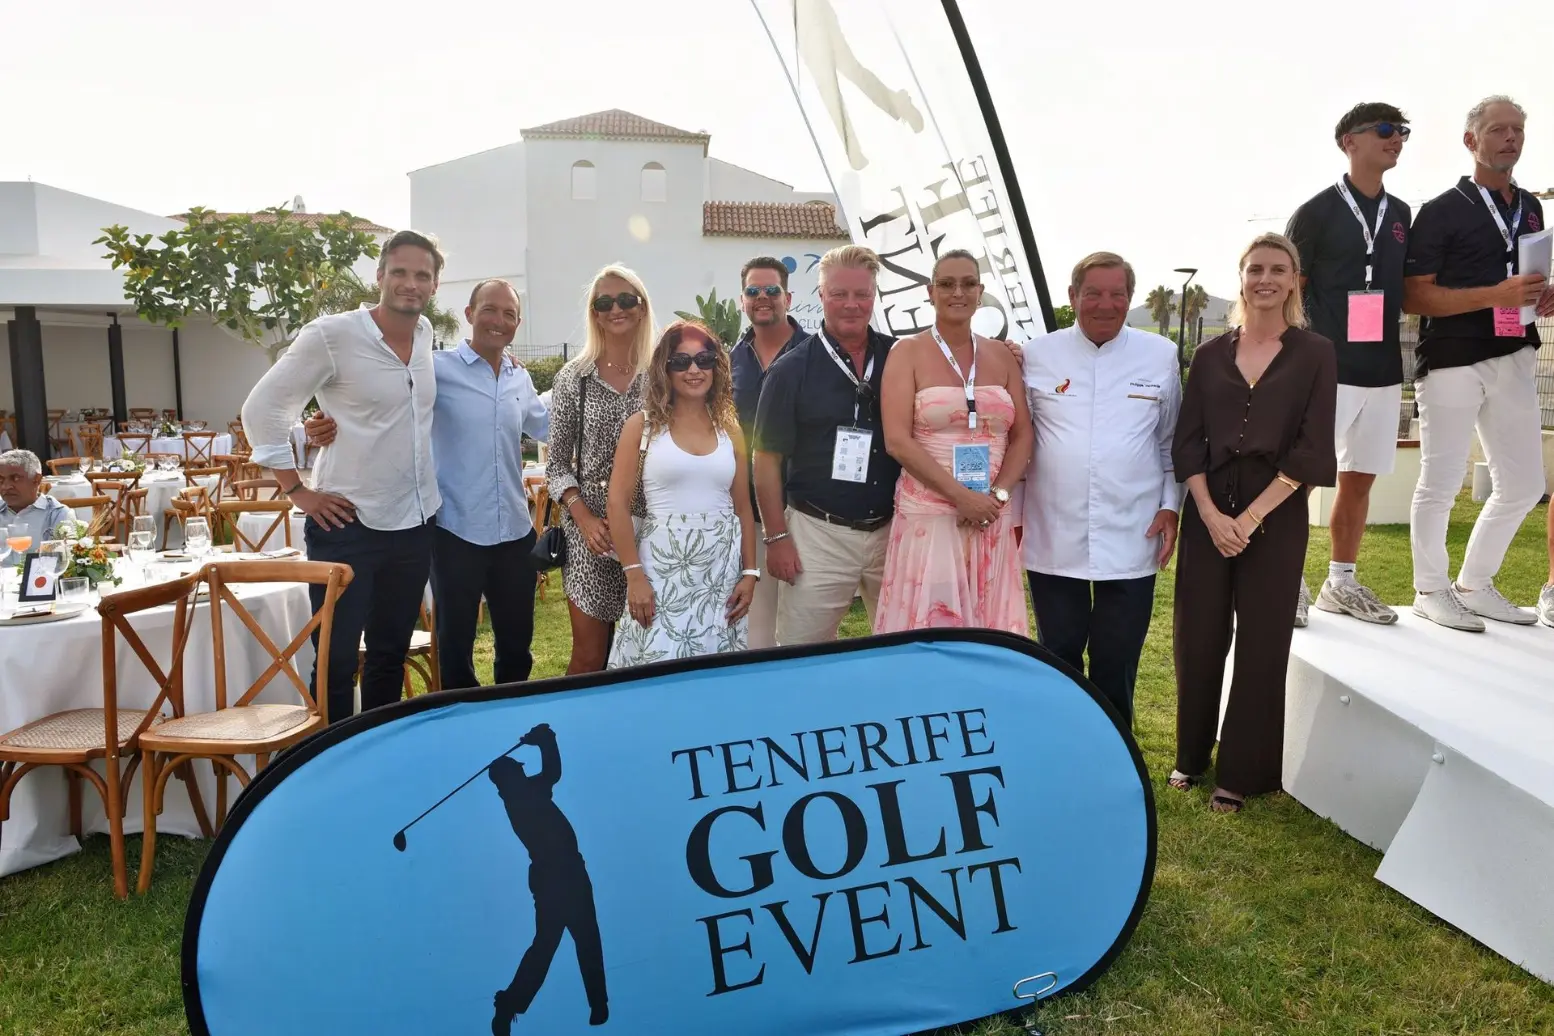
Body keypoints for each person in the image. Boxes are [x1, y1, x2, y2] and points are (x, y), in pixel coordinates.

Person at [305, 279, 550, 689]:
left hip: (514, 531)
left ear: (517, 324)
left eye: (509, 314)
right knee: (454, 646)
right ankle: (459, 719)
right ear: (470, 314)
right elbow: (380, 404)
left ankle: (510, 713)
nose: (498, 320)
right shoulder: (434, 369)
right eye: (489, 309)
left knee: (517, 646)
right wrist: (325, 422)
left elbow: (545, 425)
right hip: (455, 530)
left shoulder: (518, 378)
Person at [240, 230, 443, 724]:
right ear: (380, 275)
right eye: (400, 272)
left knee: (389, 655)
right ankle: (327, 756)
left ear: (435, 285)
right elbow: (263, 408)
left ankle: (378, 751)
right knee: (335, 660)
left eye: (422, 275)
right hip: (346, 524)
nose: (411, 283)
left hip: (415, 523)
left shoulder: (424, 335)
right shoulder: (331, 335)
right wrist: (296, 490)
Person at [1170, 233, 1337, 814]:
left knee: (1263, 641)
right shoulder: (1209, 355)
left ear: (1294, 281)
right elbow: (1188, 442)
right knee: (1197, 636)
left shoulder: (1316, 353)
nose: (1266, 279)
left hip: (1276, 513)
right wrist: (1211, 515)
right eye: (1255, 269)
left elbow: (1313, 447)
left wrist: (1249, 517)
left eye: (1278, 269)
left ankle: (1242, 772)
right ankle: (1191, 756)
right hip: (1207, 513)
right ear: (1241, 278)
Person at [1403, 95, 1554, 631]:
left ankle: (1474, 584)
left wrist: (1541, 295)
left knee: (1525, 485)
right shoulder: (1441, 210)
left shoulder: (1531, 207)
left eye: (1518, 130)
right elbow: (1415, 296)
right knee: (1440, 481)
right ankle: (1429, 589)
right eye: (1498, 130)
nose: (1511, 138)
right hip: (1452, 357)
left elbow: (1524, 280)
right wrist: (1497, 295)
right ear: (1471, 140)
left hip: (1515, 351)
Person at [1020, 252, 1181, 724]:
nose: (1105, 304)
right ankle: (1065, 747)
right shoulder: (1035, 354)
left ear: (1130, 298)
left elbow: (1170, 442)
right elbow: (1018, 439)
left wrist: (1171, 506)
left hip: (1134, 530)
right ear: (1073, 297)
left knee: (1117, 657)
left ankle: (1116, 751)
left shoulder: (1160, 355)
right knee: (1059, 656)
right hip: (1053, 531)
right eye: (1093, 293)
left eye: (1117, 294)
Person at [1285, 102, 1414, 627]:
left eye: (1402, 131)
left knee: (1359, 479)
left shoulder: (1401, 214)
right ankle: (1287, 579)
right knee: (1300, 479)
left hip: (1383, 367)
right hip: (1327, 367)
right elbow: (1291, 292)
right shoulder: (1315, 212)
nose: (1396, 138)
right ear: (1349, 141)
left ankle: (1340, 582)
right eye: (1384, 129)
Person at [874, 248, 1031, 636]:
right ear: (930, 292)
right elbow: (897, 440)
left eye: (968, 283)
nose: (957, 292)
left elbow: (1023, 434)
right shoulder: (907, 352)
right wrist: (962, 497)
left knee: (991, 632)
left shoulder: (1002, 355)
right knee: (934, 628)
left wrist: (997, 497)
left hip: (990, 514)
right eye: (946, 284)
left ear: (980, 291)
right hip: (931, 517)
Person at [753, 245, 898, 644]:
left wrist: (1008, 353)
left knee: (903, 650)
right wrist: (776, 538)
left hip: (893, 533)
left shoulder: (900, 357)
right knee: (802, 654)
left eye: (862, 294)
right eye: (839, 294)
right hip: (818, 534)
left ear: (874, 295)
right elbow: (765, 460)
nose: (851, 304)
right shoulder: (789, 370)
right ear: (821, 295)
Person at [606, 320, 758, 666]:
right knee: (654, 664)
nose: (694, 370)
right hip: (660, 570)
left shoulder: (730, 429)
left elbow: (743, 509)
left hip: (721, 573)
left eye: (704, 360)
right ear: (665, 368)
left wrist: (750, 573)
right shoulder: (642, 426)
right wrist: (634, 574)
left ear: (716, 366)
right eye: (681, 361)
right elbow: (617, 504)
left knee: (715, 671)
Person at [546, 266, 653, 673]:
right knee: (590, 656)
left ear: (642, 308)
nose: (615, 309)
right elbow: (556, 465)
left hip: (650, 526)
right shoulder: (575, 378)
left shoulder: (661, 375)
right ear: (593, 312)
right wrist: (585, 519)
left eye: (626, 300)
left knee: (647, 652)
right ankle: (574, 717)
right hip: (592, 532)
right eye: (604, 302)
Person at [487, 723, 607, 1032]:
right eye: (517, 768)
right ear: (510, 777)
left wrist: (544, 741)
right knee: (583, 938)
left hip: (554, 874)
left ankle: (512, 1002)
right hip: (563, 874)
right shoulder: (523, 795)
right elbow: (552, 772)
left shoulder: (520, 794)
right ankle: (597, 1003)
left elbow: (550, 774)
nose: (522, 770)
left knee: (548, 944)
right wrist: (545, 740)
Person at [730, 257, 809, 650]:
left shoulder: (814, 354)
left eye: (772, 290)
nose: (762, 297)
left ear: (788, 298)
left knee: (803, 633)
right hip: (747, 514)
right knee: (756, 636)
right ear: (743, 300)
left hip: (805, 515)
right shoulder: (729, 361)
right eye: (753, 291)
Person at [0, 450, 72, 548]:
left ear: (36, 480)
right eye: (1, 479)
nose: (5, 486)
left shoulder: (57, 515)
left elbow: (62, 556)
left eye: (16, 478)